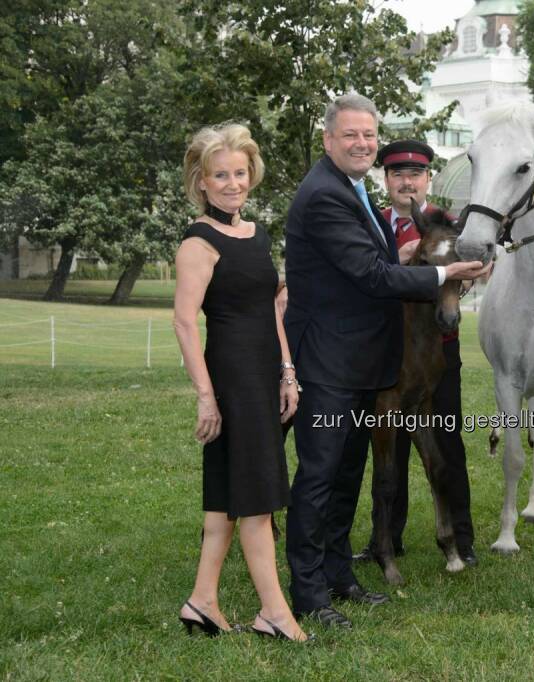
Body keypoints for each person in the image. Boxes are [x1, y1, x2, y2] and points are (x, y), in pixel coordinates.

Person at [283, 93, 487, 630]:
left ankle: (338, 576)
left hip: (360, 363)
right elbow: (372, 276)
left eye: (369, 135)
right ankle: (308, 595)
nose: (362, 144)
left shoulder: (354, 191)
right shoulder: (326, 195)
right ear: (328, 140)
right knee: (321, 475)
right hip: (327, 360)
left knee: (348, 473)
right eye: (350, 135)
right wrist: (444, 275)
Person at [174, 123, 309, 642]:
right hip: (230, 377)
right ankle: (274, 612)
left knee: (224, 499)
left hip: (264, 371)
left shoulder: (256, 235)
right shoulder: (198, 240)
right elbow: (185, 322)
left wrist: (288, 371)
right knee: (254, 498)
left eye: (240, 172)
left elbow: (272, 310)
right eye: (220, 175)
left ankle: (203, 601)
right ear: (202, 182)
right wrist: (207, 397)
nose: (233, 183)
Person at [351, 139, 477, 566]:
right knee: (390, 448)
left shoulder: (449, 223)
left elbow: (476, 260)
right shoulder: (373, 221)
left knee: (446, 442)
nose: (407, 182)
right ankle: (386, 537)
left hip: (440, 351)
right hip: (387, 351)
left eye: (416, 174)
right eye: (397, 174)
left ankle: (462, 538)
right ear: (385, 179)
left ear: (427, 180)